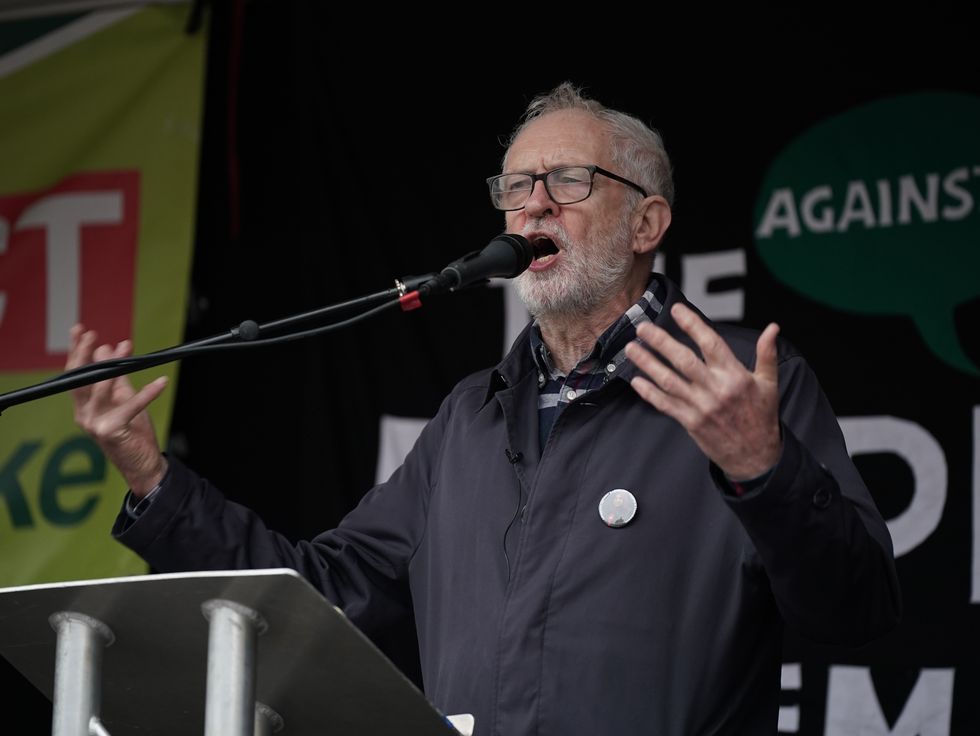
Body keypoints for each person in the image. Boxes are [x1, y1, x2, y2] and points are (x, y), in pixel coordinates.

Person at [68, 82, 901, 735]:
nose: (533, 203)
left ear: (647, 221)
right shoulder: (472, 417)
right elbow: (324, 596)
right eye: (516, 184)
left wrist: (764, 470)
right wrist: (151, 478)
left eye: (569, 180)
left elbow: (855, 611)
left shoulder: (742, 384)